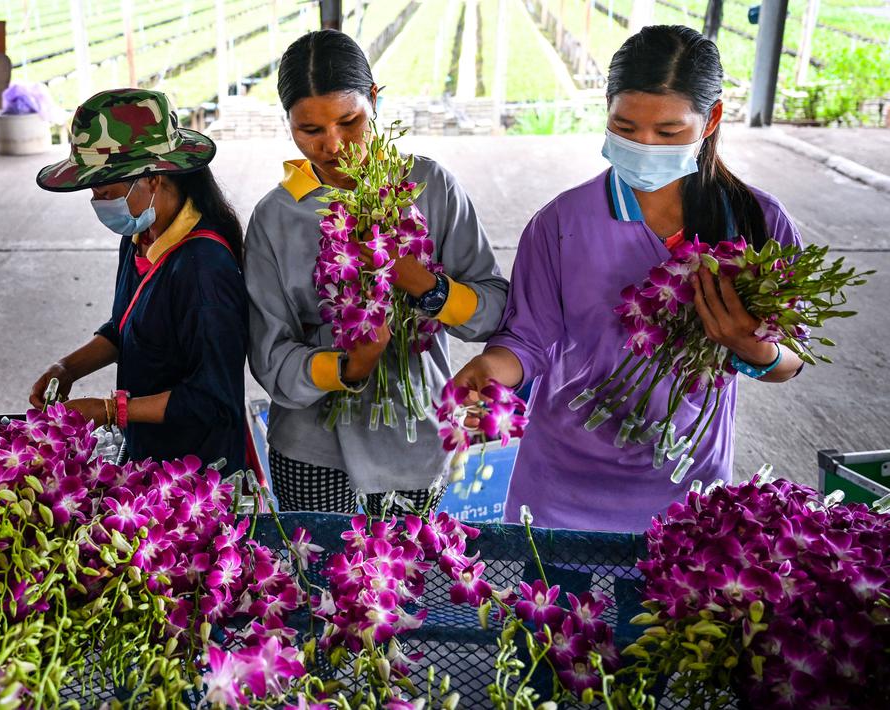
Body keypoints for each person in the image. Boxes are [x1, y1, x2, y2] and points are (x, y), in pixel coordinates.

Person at [453, 25, 805, 533]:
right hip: (560, 487)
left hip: (687, 489)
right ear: (606, 112)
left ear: (712, 120)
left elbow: (790, 360)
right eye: (625, 127)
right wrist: (490, 370)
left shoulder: (757, 224)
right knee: (552, 609)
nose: (644, 145)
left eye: (668, 133)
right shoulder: (560, 225)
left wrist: (750, 347)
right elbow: (527, 341)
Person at [245, 30, 509, 514]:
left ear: (375, 100)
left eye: (350, 121)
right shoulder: (274, 218)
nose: (335, 146)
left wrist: (425, 287)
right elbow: (269, 354)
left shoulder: (430, 188)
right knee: (325, 584)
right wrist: (349, 367)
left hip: (416, 440)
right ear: (287, 125)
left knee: (399, 582)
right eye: (310, 131)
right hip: (312, 451)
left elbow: (493, 309)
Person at [29, 88, 248, 474]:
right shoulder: (139, 238)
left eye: (106, 190)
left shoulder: (203, 272)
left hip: (196, 473)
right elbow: (126, 328)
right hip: (149, 456)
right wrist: (67, 368)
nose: (98, 201)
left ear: (153, 179)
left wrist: (111, 410)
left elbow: (212, 400)